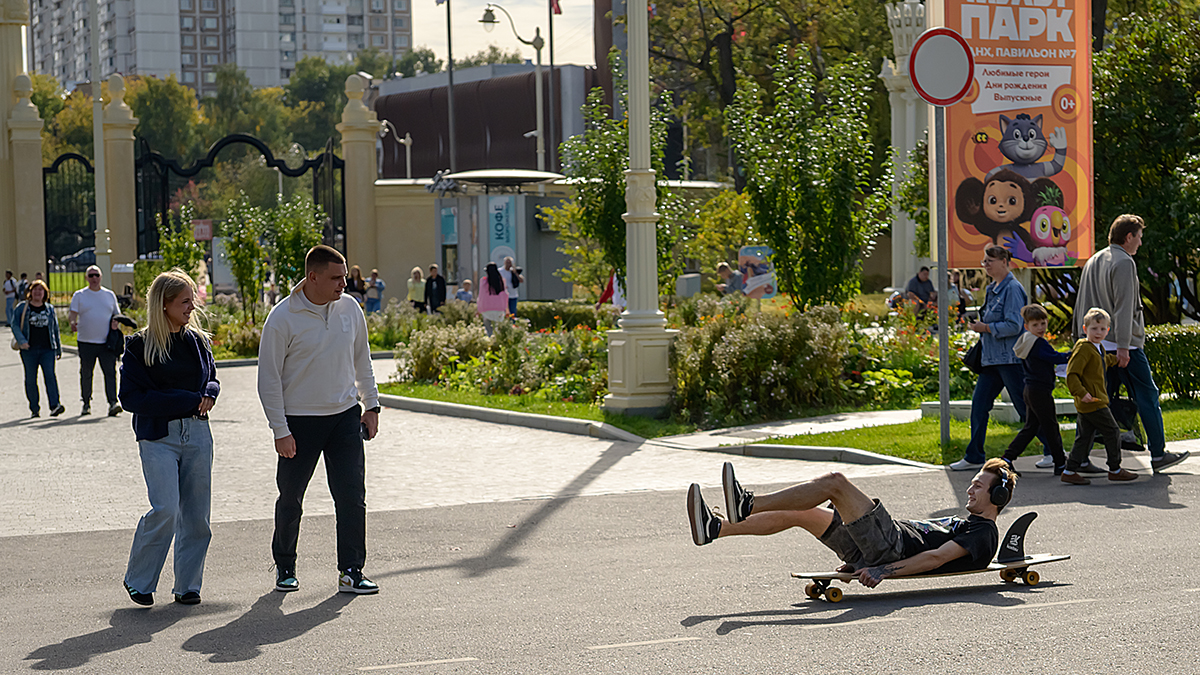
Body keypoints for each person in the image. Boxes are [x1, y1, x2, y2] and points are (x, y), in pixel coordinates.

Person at [258, 245, 381, 595]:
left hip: (344, 418)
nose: (345, 283)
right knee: (291, 497)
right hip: (299, 422)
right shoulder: (283, 318)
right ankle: (285, 565)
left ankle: (351, 570)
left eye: (344, 276)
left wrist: (371, 406)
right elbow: (268, 378)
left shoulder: (350, 309)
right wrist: (280, 430)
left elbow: (363, 360)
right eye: (336, 278)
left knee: (351, 497)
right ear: (312, 277)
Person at [688, 461, 1013, 585]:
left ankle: (748, 503)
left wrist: (880, 570)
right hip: (877, 546)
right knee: (799, 514)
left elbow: (936, 558)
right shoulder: (966, 521)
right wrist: (860, 560)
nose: (970, 489)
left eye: (979, 486)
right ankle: (715, 528)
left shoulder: (982, 533)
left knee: (835, 481)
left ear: (997, 497)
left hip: (892, 546)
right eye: (972, 482)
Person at [117, 270, 220, 606]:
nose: (193, 306)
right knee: (165, 509)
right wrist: (187, 399)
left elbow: (210, 379)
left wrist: (209, 392)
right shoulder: (138, 346)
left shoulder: (198, 341)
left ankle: (188, 586)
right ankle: (139, 581)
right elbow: (132, 398)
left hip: (198, 434)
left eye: (192, 299)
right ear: (164, 305)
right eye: (185, 301)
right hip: (158, 437)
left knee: (197, 516)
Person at [1073, 214, 1188, 473]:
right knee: (1147, 395)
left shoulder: (1093, 260)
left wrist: (1079, 340)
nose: (1140, 243)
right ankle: (1158, 454)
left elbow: (1080, 304)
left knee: (1096, 401)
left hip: (1096, 345)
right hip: (1124, 346)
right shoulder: (1124, 262)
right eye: (1139, 237)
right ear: (1128, 237)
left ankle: (1079, 459)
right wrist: (1124, 345)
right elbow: (1124, 308)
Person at [953, 246, 1052, 471]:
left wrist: (985, 327)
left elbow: (1015, 325)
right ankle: (974, 455)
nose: (985, 264)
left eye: (990, 260)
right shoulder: (992, 288)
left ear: (1005, 262)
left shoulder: (1013, 289)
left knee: (1025, 407)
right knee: (979, 405)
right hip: (991, 360)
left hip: (1010, 359)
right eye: (984, 260)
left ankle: (1052, 450)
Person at [1061, 308, 1139, 484]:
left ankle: (1069, 470)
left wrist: (1116, 360)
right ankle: (1115, 469)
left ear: (1108, 330)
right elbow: (1072, 374)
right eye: (1094, 329)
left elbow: (1101, 361)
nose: (1098, 332)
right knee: (1112, 431)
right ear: (1085, 328)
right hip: (1092, 401)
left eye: (1102, 329)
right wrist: (1082, 393)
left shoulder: (1098, 347)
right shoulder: (1083, 348)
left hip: (1091, 401)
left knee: (1085, 437)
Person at [1000, 304, 1069, 475]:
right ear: (1027, 326)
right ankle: (1060, 463)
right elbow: (1055, 358)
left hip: (1030, 389)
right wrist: (1072, 353)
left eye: (1043, 323)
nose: (1040, 328)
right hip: (1040, 391)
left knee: (1031, 428)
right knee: (1051, 427)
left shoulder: (1025, 341)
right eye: (1035, 325)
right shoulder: (1038, 343)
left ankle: (1007, 458)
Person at [69, 265, 122, 417]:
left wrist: (115, 323)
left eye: (96, 275)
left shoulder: (109, 295)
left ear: (101, 277)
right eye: (91, 275)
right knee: (86, 373)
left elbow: (116, 314)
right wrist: (72, 323)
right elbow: (72, 314)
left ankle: (113, 402)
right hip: (86, 341)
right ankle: (86, 403)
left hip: (106, 342)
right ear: (86, 278)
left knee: (110, 373)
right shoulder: (80, 295)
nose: (94, 278)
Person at [10, 279, 65, 418]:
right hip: (29, 350)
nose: (37, 292)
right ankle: (34, 408)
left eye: (40, 290)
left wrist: (58, 348)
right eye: (35, 289)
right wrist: (22, 341)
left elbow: (55, 329)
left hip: (47, 349)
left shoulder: (49, 309)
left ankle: (54, 405)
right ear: (30, 292)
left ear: (45, 293)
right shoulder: (22, 307)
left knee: (50, 377)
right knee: (31, 379)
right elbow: (14, 325)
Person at [477, 262, 509, 336]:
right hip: (499, 309)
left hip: (486, 309)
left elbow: (481, 296)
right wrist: (507, 309)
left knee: (488, 330)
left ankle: (490, 344)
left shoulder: (483, 281)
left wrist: (478, 309)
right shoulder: (501, 282)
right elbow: (505, 296)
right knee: (498, 330)